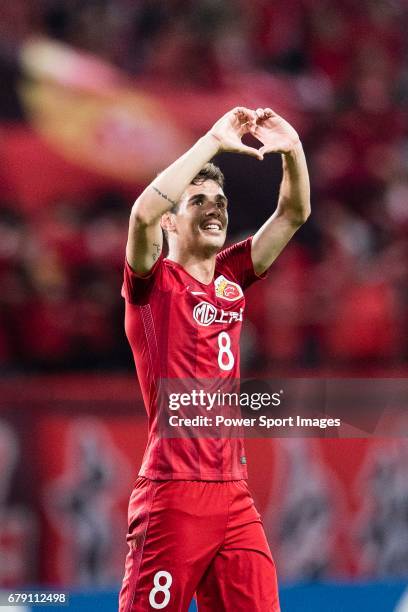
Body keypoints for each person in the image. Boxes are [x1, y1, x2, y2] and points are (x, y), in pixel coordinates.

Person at [119, 107, 310, 611]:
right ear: (170, 221)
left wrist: (292, 149)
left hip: (234, 494)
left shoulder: (232, 275)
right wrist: (212, 140)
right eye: (198, 200)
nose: (215, 208)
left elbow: (293, 214)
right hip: (173, 493)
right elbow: (141, 215)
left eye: (221, 200)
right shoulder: (153, 284)